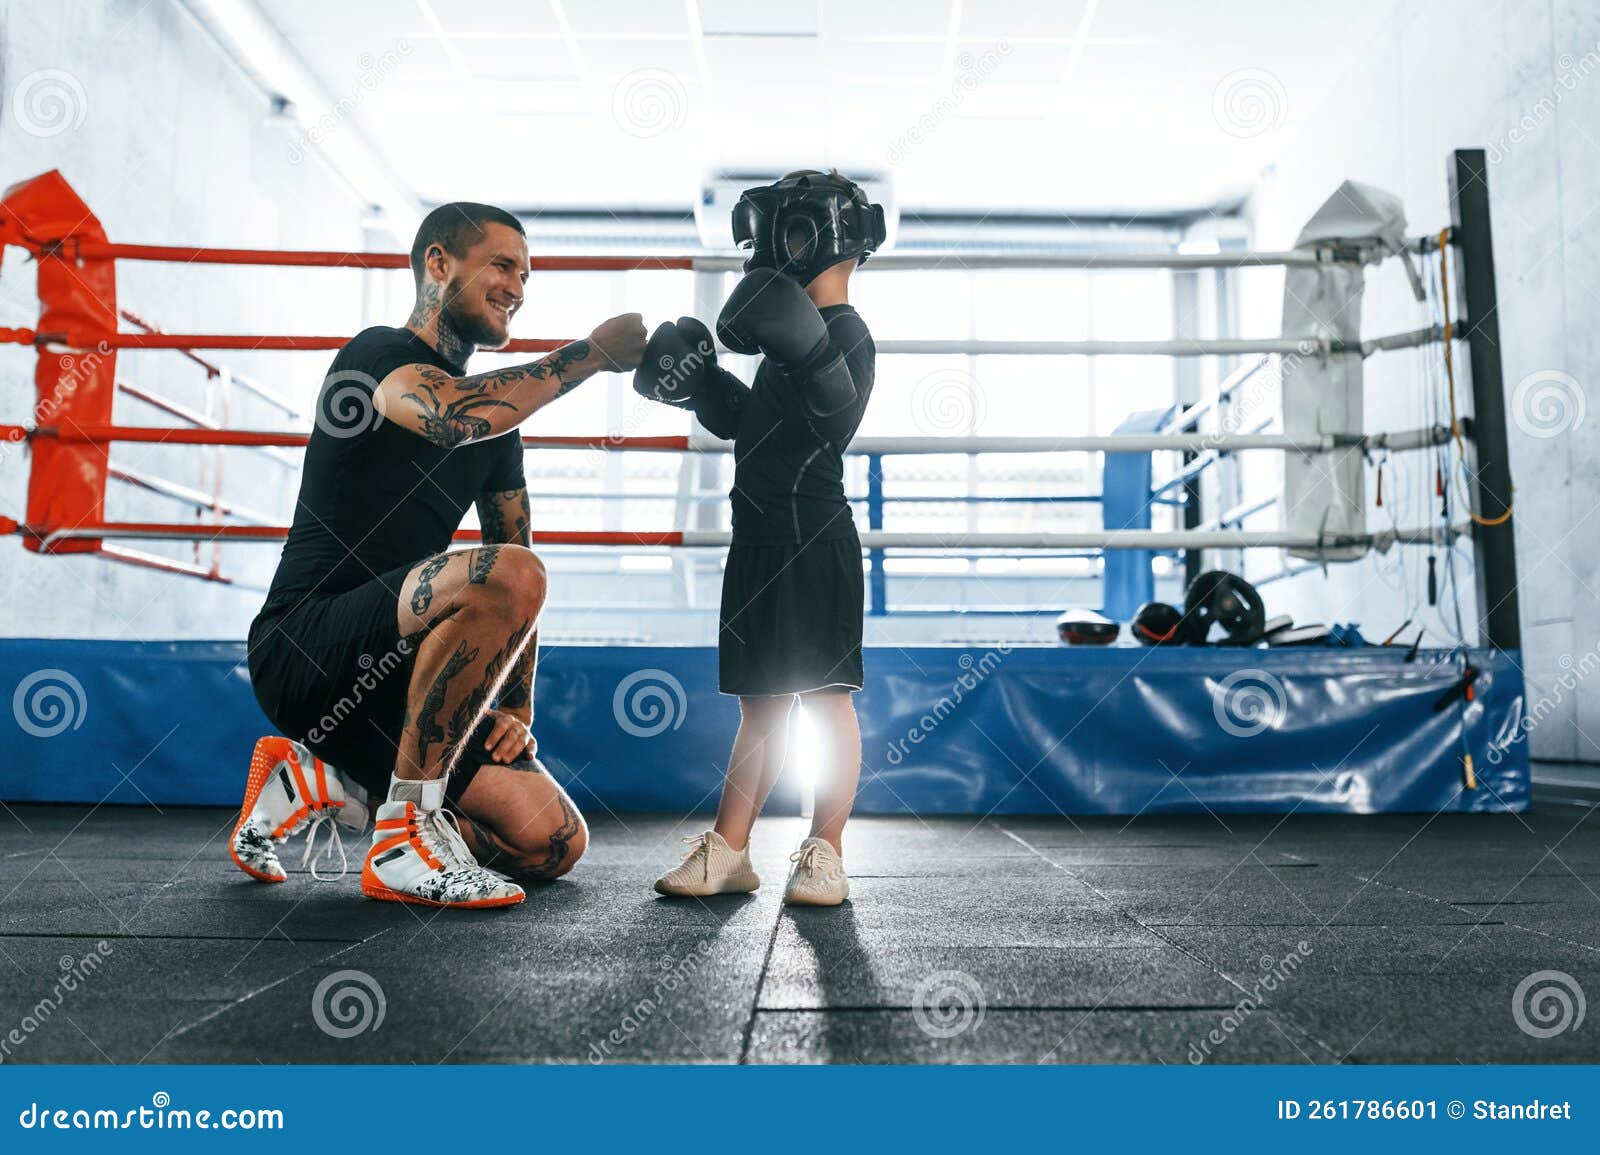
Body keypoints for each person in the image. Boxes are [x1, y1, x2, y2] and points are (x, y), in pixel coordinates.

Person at [243, 202, 646, 908]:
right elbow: (454, 416)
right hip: (305, 649)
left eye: (526, 274)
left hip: (402, 684)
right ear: (438, 263)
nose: (517, 287)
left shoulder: (500, 431)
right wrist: (590, 355)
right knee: (509, 573)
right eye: (502, 265)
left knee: (552, 841)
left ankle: (324, 780)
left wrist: (514, 707)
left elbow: (516, 553)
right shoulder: (377, 356)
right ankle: (405, 835)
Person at [632, 170, 882, 906]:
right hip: (756, 539)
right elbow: (755, 427)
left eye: (789, 232)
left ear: (827, 238)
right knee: (762, 706)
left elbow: (831, 416)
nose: (774, 248)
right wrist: (702, 384)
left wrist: (802, 350)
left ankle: (826, 852)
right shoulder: (783, 349)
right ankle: (731, 850)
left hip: (815, 540)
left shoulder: (848, 333)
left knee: (827, 700)